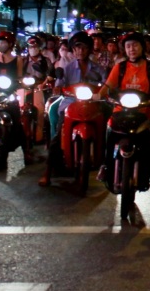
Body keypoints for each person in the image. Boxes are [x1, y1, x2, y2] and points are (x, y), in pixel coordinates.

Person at [97, 31, 150, 211]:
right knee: (107, 133)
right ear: (124, 48)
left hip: (145, 113)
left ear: (142, 47)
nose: (132, 49)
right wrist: (98, 95)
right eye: (128, 46)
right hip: (120, 111)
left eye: (135, 45)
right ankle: (105, 165)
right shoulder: (120, 67)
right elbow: (108, 86)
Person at [38, 31, 107, 187]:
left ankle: (106, 163)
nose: (80, 51)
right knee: (58, 132)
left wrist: (104, 90)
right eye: (77, 48)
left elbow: (105, 84)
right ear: (73, 50)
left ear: (89, 49)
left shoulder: (97, 68)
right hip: (71, 104)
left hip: (92, 104)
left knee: (108, 125)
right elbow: (59, 84)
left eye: (84, 48)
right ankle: (48, 170)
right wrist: (57, 88)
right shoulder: (67, 68)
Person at [0, 30, 29, 169]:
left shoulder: (18, 60)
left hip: (9, 94)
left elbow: (19, 77)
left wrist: (21, 82)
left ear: (10, 44)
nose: (0, 44)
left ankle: (25, 150)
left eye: (3, 42)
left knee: (16, 120)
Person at [23, 34, 54, 142]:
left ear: (39, 47)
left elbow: (50, 75)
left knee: (41, 111)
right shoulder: (22, 61)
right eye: (30, 47)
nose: (33, 49)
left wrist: (44, 83)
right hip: (25, 88)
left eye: (35, 47)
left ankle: (39, 136)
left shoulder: (46, 61)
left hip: (40, 88)